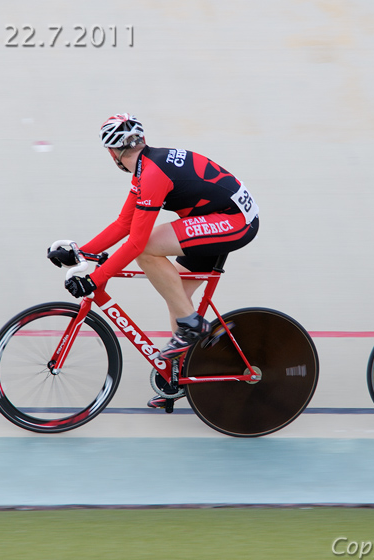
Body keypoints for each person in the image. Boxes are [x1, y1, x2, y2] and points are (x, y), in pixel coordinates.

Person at [47, 113, 259, 408]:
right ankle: (180, 379)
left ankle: (193, 326)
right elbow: (123, 223)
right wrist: (81, 252)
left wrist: (95, 279)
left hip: (234, 221)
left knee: (147, 249)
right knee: (177, 294)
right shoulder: (146, 168)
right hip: (218, 216)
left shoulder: (152, 175)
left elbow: (136, 243)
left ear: (112, 153)